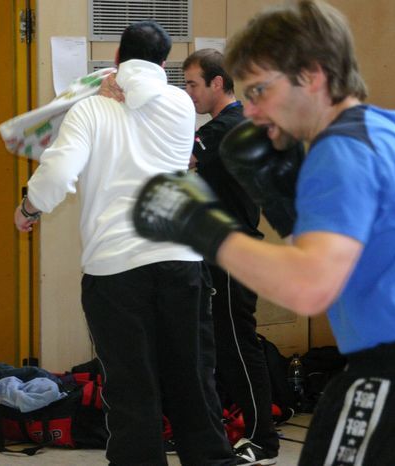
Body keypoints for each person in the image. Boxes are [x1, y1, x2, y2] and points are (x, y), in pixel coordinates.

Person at [132, 1, 395, 465]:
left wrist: (200, 225)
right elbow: (362, 252)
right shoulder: (394, 129)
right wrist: (291, 209)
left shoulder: (339, 151)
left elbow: (310, 287)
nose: (252, 111)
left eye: (260, 91)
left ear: (311, 75)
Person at [14, 20, 237, 466]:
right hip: (180, 261)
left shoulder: (90, 110)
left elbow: (57, 175)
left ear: (117, 58)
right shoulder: (181, 104)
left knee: (133, 389)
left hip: (115, 269)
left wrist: (29, 209)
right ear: (164, 63)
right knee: (193, 382)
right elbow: (146, 97)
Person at [183, 48, 279, 465]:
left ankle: (264, 440)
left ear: (217, 83)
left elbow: (176, 157)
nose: (188, 93)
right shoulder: (231, 124)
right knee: (223, 348)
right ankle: (239, 429)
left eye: (193, 84)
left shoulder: (226, 127)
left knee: (240, 348)